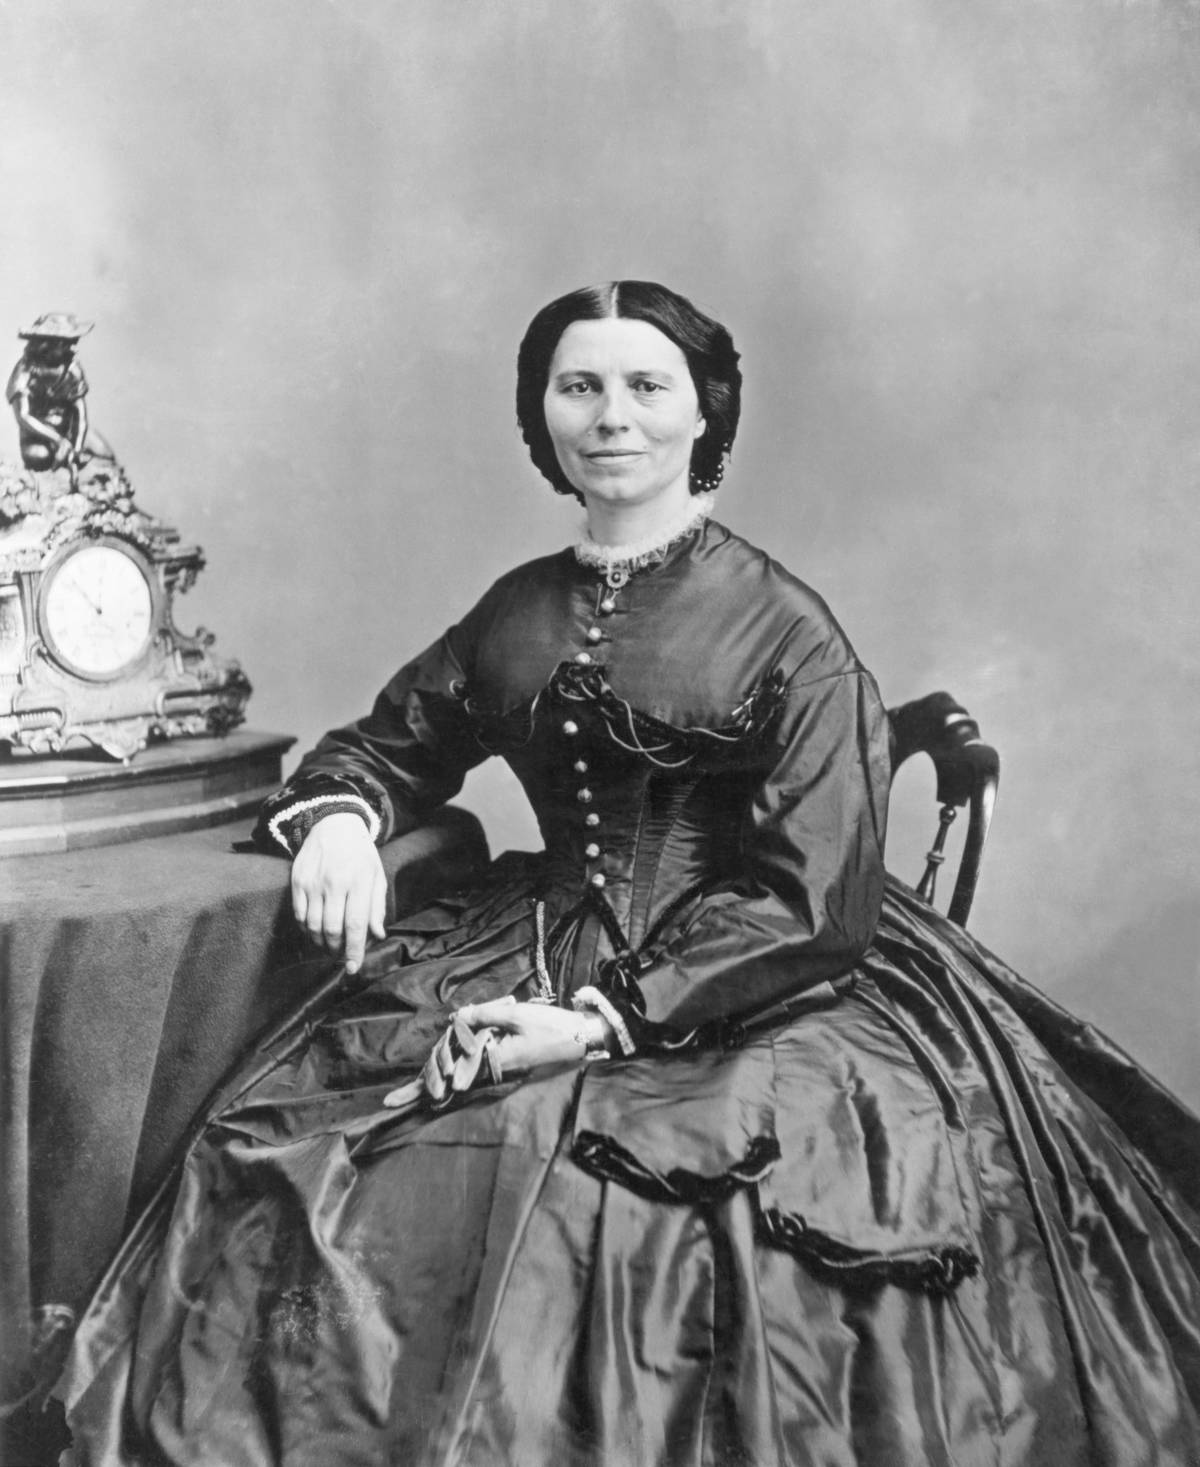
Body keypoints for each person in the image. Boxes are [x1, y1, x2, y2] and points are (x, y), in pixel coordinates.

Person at [54, 282, 1200, 1466]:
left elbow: (808, 900)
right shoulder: (518, 608)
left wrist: (602, 1021)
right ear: (541, 413)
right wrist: (343, 821)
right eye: (579, 386)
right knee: (325, 1155)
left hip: (759, 979)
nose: (612, 416)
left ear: (704, 414)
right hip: (531, 935)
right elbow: (387, 745)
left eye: (647, 386)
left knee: (584, 1193)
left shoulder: (787, 627)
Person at [6, 314, 116, 479]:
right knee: (40, 457)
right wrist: (58, 441)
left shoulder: (72, 369)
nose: (72, 348)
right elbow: (23, 416)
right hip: (37, 435)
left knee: (103, 453)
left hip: (69, 431)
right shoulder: (25, 370)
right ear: (46, 345)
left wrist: (76, 449)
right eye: (66, 343)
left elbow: (80, 415)